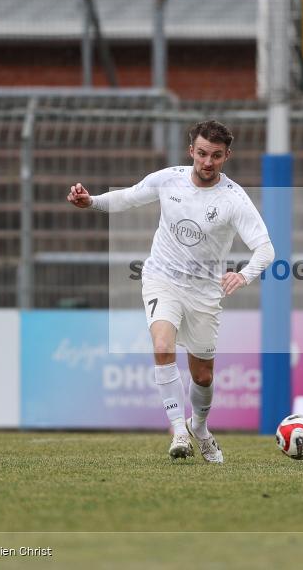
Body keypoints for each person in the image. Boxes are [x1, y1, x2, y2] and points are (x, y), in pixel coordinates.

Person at [67, 120, 275, 463]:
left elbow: (265, 249)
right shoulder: (168, 179)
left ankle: (201, 428)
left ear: (227, 157)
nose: (208, 162)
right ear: (191, 150)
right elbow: (129, 197)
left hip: (205, 291)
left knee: (203, 375)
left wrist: (245, 275)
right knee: (162, 346)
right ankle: (179, 431)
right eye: (203, 153)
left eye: (217, 156)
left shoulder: (234, 199)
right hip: (162, 278)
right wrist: (91, 202)